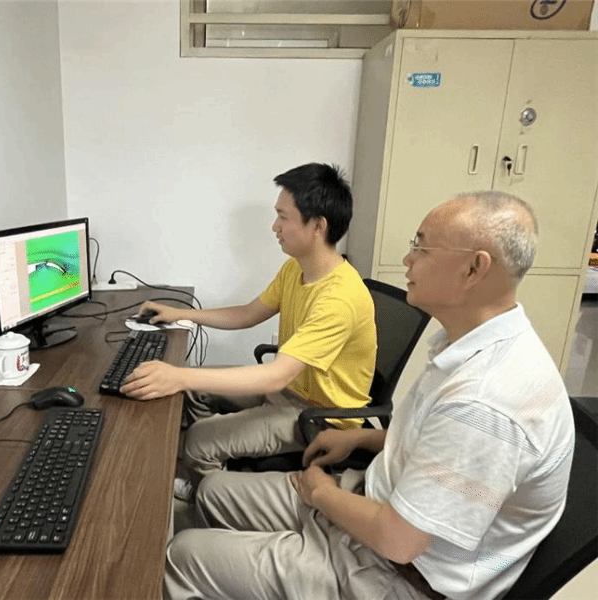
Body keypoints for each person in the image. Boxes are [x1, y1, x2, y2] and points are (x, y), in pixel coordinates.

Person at [163, 191, 575, 600]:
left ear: (474, 268)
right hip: (370, 498)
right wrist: (365, 438)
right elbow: (436, 444)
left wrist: (323, 494)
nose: (408, 259)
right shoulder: (467, 347)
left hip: (393, 571)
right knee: (213, 492)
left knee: (182, 555)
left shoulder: (486, 402)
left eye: (421, 248)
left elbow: (400, 541)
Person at [120, 163, 377, 499]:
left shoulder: (339, 297)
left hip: (319, 416)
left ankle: (213, 499)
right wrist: (181, 314)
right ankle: (212, 476)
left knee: (198, 439)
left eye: (283, 217)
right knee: (194, 391)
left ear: (317, 226)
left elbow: (276, 376)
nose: (275, 226)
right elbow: (247, 314)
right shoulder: (295, 269)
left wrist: (178, 376)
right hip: (290, 391)